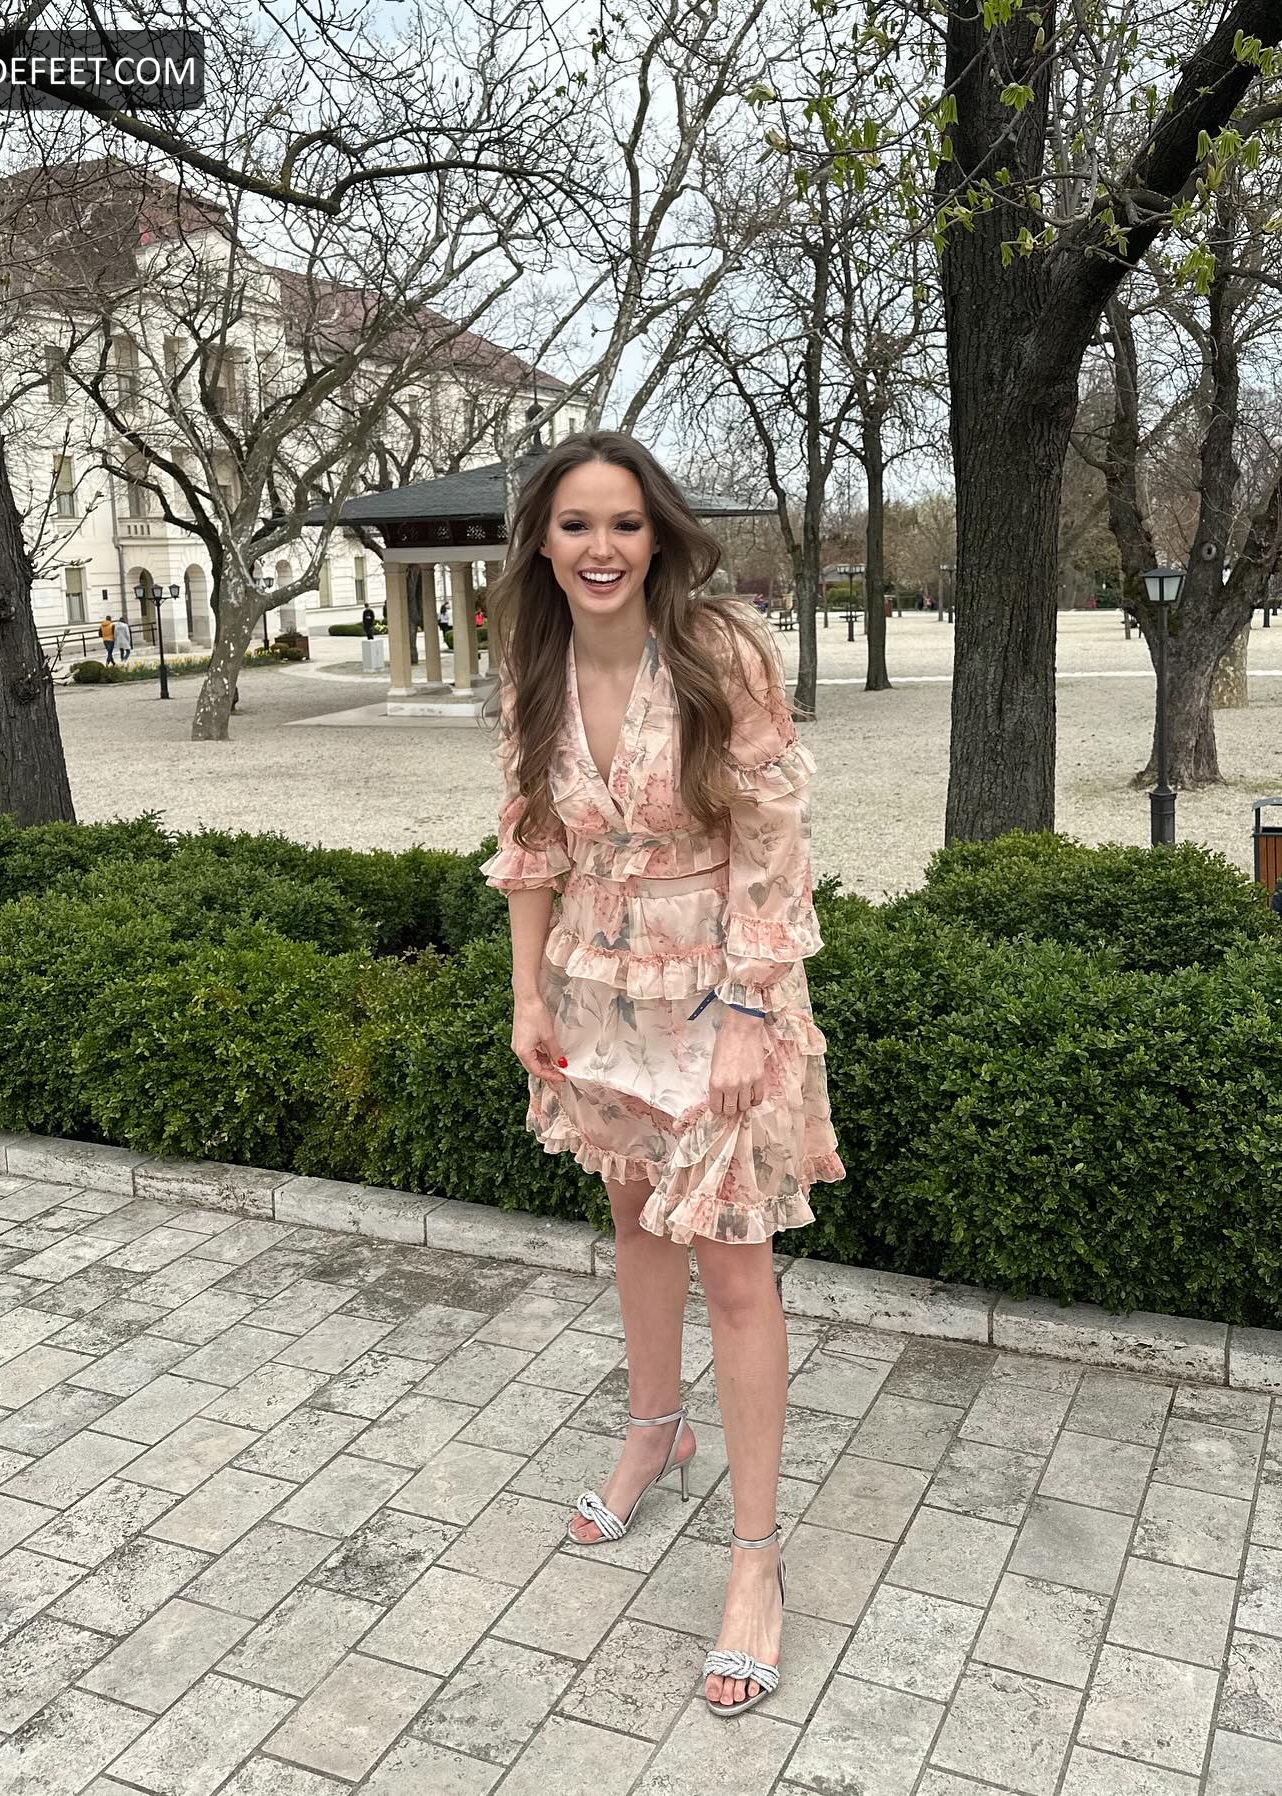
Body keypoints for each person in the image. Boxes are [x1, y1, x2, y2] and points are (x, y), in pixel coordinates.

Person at [481, 432, 844, 1718]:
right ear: (542, 541)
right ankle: (654, 1428)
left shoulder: (718, 650)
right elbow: (529, 840)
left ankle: (755, 1559)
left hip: (721, 989)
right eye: (576, 524)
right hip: (597, 989)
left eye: (625, 524)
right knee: (633, 1219)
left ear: (659, 536)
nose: (602, 548)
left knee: (735, 1269)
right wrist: (528, 993)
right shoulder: (530, 665)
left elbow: (774, 835)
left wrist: (749, 1010)